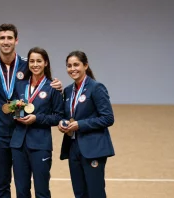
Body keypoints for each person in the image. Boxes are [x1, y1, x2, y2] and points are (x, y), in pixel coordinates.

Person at [0, 24, 62, 198]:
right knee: (3, 183)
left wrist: (56, 85)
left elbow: (42, 83)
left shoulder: (27, 64)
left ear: (16, 40)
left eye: (10, 38)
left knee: (34, 187)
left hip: (23, 133)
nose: (6, 42)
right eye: (2, 38)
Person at [58, 50, 115, 198]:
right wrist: (63, 123)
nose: (72, 69)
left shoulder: (96, 88)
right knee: (79, 193)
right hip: (73, 147)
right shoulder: (68, 91)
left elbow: (108, 118)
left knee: (95, 193)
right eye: (69, 65)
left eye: (76, 64)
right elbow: (68, 116)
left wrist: (80, 125)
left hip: (93, 148)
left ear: (85, 65)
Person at [10, 47, 64, 198]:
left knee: (42, 191)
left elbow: (58, 116)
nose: (35, 64)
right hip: (18, 144)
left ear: (46, 63)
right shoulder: (20, 85)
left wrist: (37, 118)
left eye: (39, 61)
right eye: (32, 61)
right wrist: (18, 115)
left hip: (40, 145)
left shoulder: (53, 86)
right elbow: (15, 107)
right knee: (21, 191)